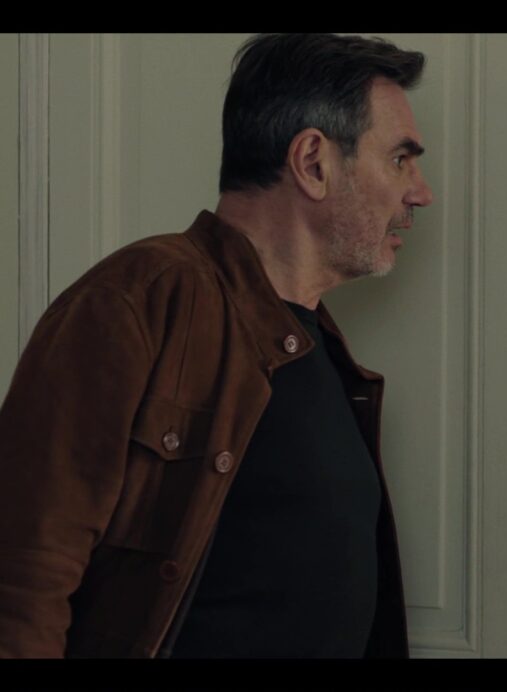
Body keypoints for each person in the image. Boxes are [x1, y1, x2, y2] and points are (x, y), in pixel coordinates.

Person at [0, 33, 433, 658]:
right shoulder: (136, 300)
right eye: (399, 160)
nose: (420, 191)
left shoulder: (321, 347)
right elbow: (24, 575)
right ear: (313, 161)